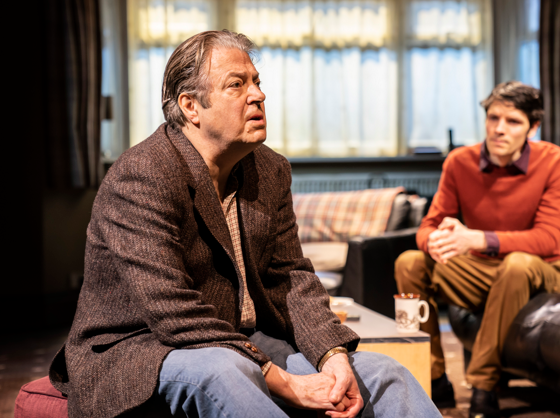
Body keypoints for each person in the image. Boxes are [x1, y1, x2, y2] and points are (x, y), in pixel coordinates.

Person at [49, 30, 439, 418]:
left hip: (245, 341)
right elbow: (171, 310)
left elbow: (292, 279)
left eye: (256, 82)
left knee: (384, 373)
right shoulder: (142, 175)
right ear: (191, 106)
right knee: (223, 370)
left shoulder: (269, 169)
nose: (258, 94)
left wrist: (332, 355)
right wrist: (287, 384)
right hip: (140, 347)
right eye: (236, 85)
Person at [394, 81, 560, 418]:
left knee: (517, 264)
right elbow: (428, 227)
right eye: (493, 118)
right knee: (410, 262)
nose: (499, 129)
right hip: (482, 271)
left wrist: (478, 239)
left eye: (513, 121)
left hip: (538, 272)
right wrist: (435, 241)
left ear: (533, 127)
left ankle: (483, 386)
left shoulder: (554, 160)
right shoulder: (460, 161)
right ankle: (434, 377)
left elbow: (549, 238)